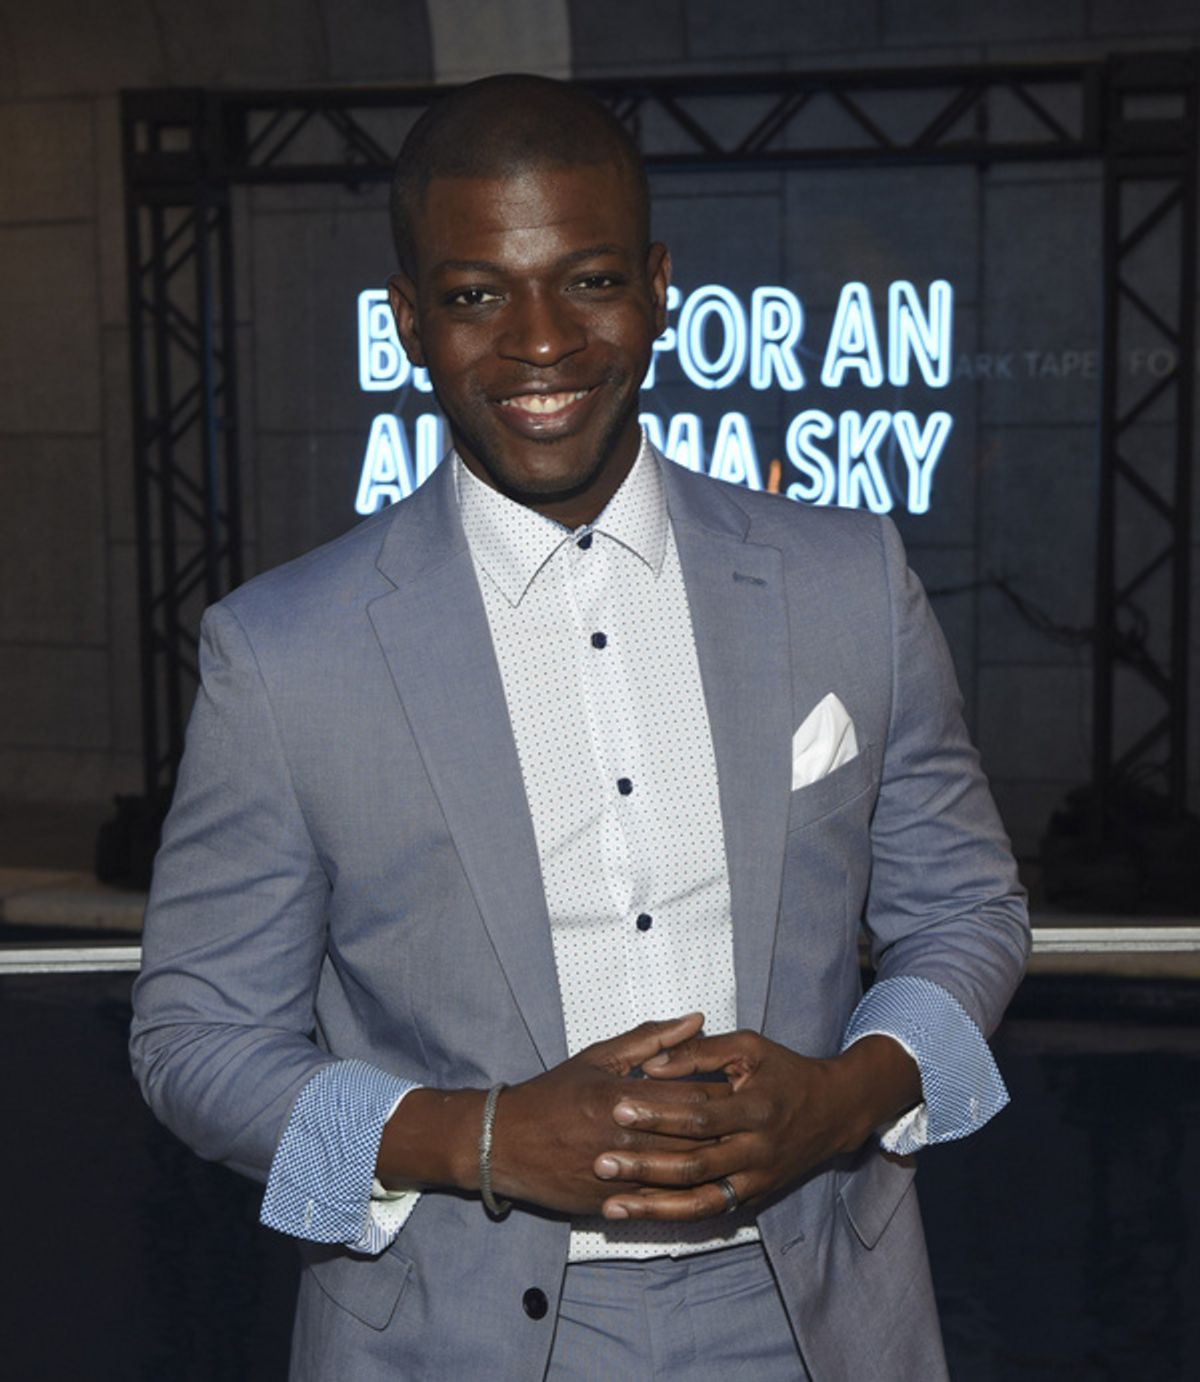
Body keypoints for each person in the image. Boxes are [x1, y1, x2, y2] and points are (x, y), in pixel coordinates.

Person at [131, 74, 1029, 1381]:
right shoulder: (281, 653)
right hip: (447, 1339)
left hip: (814, 1315)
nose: (541, 341)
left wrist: (846, 1098)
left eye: (591, 280)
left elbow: (968, 909)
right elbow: (194, 1040)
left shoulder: (848, 579)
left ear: (658, 288)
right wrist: (480, 1138)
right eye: (476, 295)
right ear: (409, 320)